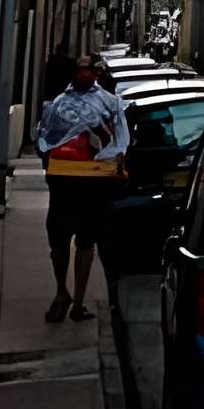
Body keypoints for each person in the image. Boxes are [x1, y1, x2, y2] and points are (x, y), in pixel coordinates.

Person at [34, 52, 128, 323]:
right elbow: (43, 137)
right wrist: (48, 164)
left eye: (86, 69)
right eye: (79, 69)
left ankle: (78, 301)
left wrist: (115, 168)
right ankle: (61, 293)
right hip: (63, 181)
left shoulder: (109, 103)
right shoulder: (59, 102)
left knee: (86, 241)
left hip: (93, 183)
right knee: (58, 242)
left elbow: (120, 141)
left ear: (97, 73)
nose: (81, 73)